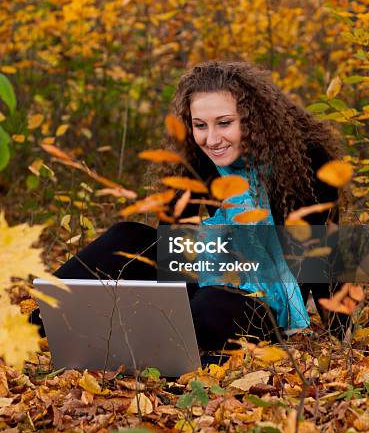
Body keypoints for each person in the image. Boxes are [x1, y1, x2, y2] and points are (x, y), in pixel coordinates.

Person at [29, 60, 349, 354]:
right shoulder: (198, 159)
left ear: (255, 119)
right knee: (126, 236)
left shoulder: (307, 162)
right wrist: (170, 297)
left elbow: (323, 257)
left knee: (209, 304)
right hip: (209, 272)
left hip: (264, 300)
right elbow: (174, 247)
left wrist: (340, 339)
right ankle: (33, 328)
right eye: (200, 125)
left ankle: (156, 344)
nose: (211, 139)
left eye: (224, 123)